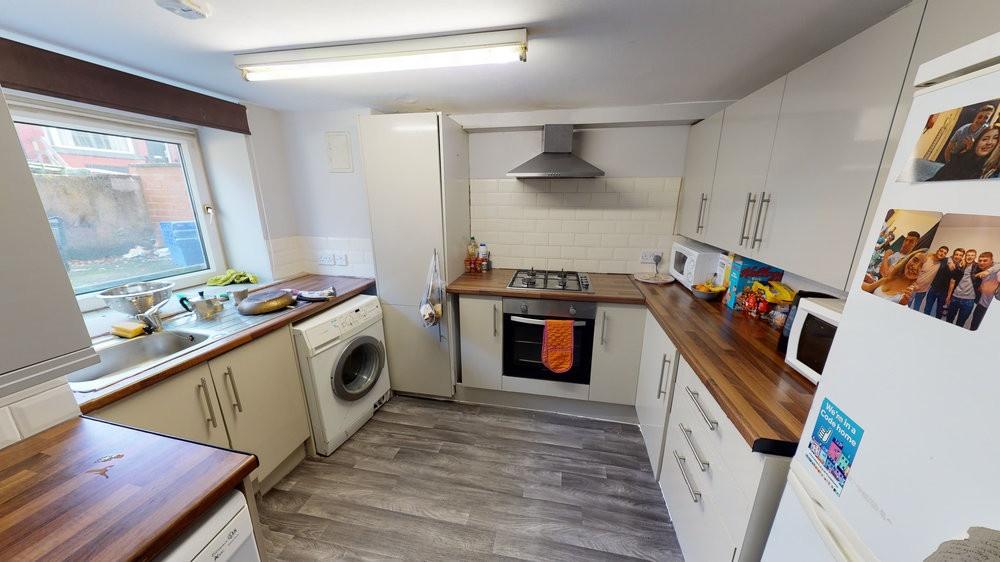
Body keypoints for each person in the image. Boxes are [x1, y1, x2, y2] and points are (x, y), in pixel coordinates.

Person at [930, 124, 1000, 181]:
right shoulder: (960, 159)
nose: (989, 142)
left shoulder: (992, 173)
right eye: (984, 139)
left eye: (995, 138)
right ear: (976, 144)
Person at [946, 248, 983, 327]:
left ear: (975, 257)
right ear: (965, 256)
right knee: (948, 320)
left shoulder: (978, 267)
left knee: (960, 323)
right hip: (955, 298)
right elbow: (952, 282)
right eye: (968, 255)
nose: (970, 257)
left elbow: (994, 265)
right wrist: (949, 296)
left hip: (968, 301)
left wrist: (986, 271)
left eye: (972, 255)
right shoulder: (960, 266)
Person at [924, 247, 963, 318]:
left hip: (944, 293)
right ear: (953, 255)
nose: (958, 256)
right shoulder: (945, 260)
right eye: (956, 254)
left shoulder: (959, 269)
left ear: (962, 257)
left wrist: (948, 296)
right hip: (933, 289)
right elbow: (933, 255)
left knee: (939, 312)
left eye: (960, 255)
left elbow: (952, 283)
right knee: (927, 308)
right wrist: (949, 261)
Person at [909, 245, 949, 312]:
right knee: (906, 305)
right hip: (912, 287)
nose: (942, 253)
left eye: (945, 253)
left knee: (916, 309)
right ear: (937, 251)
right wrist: (914, 283)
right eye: (941, 251)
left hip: (923, 291)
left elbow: (952, 259)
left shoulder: (941, 264)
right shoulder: (926, 258)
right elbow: (913, 271)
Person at [971, 252, 999, 330]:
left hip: (992, 308)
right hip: (981, 305)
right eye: (980, 260)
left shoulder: (997, 271)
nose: (982, 262)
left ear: (991, 261)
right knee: (973, 327)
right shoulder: (979, 269)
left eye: (985, 260)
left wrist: (988, 271)